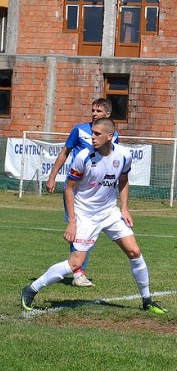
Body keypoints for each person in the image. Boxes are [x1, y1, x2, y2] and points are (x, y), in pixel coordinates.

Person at [21, 118, 168, 314]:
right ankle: (31, 289)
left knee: (134, 251)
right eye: (92, 133)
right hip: (85, 214)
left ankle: (147, 300)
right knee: (76, 263)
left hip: (109, 211)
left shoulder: (124, 155)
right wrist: (72, 221)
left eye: (97, 134)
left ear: (110, 136)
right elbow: (69, 188)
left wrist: (124, 208)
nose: (93, 137)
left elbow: (123, 180)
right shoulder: (83, 156)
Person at [45, 98, 119, 287]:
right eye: (93, 110)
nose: (94, 113)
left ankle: (77, 269)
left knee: (89, 230)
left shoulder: (113, 135)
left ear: (107, 115)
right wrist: (52, 176)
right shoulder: (79, 129)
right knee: (77, 227)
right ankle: (78, 272)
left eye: (99, 111)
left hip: (96, 190)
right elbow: (64, 152)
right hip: (77, 187)